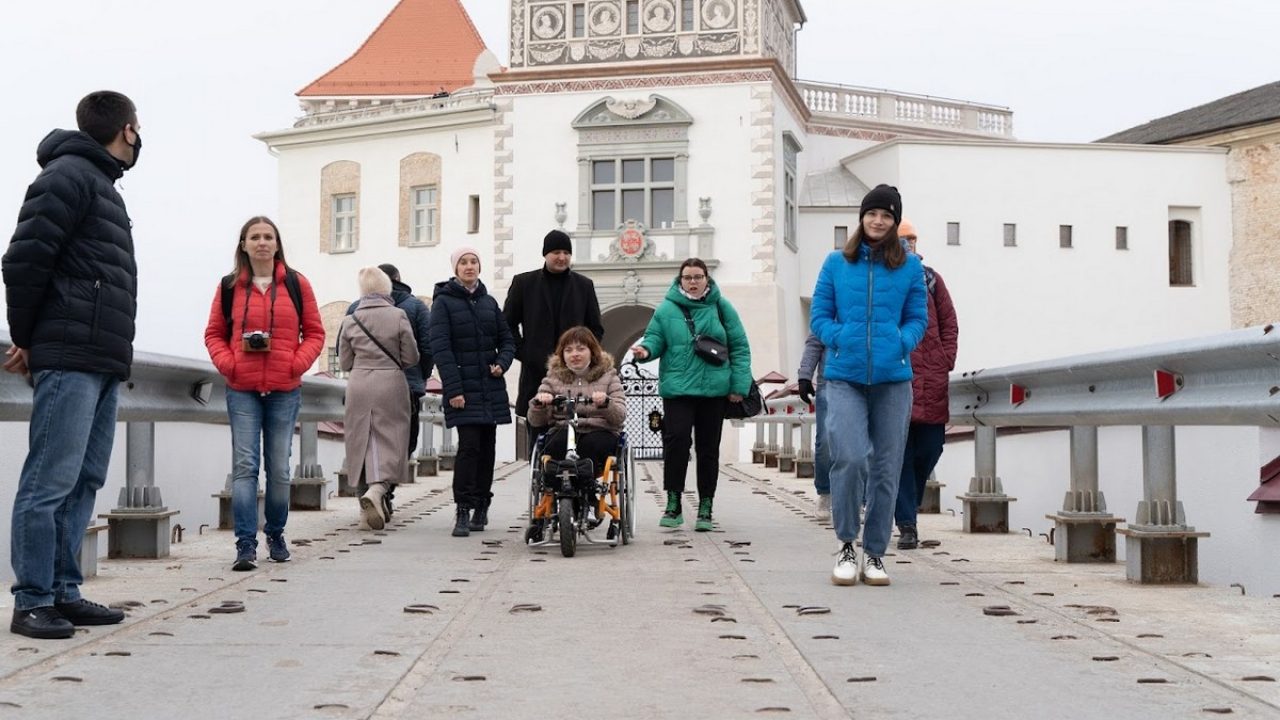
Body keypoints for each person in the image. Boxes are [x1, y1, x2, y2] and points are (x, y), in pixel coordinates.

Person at [2, 91, 142, 639]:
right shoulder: (67, 175)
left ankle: (63, 590)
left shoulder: (101, 184)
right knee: (49, 481)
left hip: (101, 356)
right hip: (68, 352)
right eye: (138, 129)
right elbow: (23, 259)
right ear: (128, 129)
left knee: (84, 479)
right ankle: (32, 599)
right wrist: (27, 337)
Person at [811, 184, 927, 587]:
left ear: (895, 222)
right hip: (844, 378)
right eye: (872, 213)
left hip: (893, 381)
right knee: (850, 457)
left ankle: (875, 553)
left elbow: (918, 318)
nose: (878, 221)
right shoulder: (835, 263)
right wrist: (840, 338)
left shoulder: (910, 268)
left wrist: (902, 342)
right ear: (862, 218)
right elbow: (819, 316)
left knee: (886, 467)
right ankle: (846, 544)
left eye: (887, 215)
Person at [204, 216, 325, 572]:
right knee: (245, 468)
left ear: (277, 244)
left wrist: (294, 363)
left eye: (267, 237)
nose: (261, 242)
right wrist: (230, 365)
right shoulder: (229, 287)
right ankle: (245, 545)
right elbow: (213, 333)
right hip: (241, 388)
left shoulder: (297, 285)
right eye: (254, 237)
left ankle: (275, 534)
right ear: (243, 244)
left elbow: (315, 333)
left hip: (285, 388)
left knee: (279, 469)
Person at [631, 258, 751, 532]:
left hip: (714, 390)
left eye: (698, 276)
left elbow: (740, 347)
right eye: (688, 277)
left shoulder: (722, 307)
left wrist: (738, 387)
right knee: (676, 442)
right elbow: (655, 338)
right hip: (678, 389)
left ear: (707, 279)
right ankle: (673, 502)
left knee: (708, 449)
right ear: (680, 280)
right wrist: (645, 351)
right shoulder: (666, 309)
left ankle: (706, 506)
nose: (693, 282)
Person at [430, 247, 515, 537]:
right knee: (469, 448)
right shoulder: (443, 303)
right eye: (463, 262)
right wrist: (453, 389)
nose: (469, 266)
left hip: (489, 388)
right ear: (455, 268)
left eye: (474, 262)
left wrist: (501, 364)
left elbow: (507, 340)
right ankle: (463, 509)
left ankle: (481, 505)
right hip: (463, 389)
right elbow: (440, 349)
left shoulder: (489, 303)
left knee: (487, 451)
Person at [503, 230, 603, 453]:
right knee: (539, 437)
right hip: (537, 371)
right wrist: (525, 353)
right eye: (557, 252)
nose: (562, 257)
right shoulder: (524, 283)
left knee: (577, 435)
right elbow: (506, 325)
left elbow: (595, 328)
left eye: (567, 252)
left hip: (576, 375)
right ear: (545, 254)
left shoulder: (584, 285)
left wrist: (584, 356)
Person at [892, 219, 959, 550]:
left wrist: (946, 358)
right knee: (900, 455)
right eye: (904, 240)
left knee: (931, 449)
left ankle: (905, 504)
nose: (909, 246)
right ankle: (907, 524)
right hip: (898, 374)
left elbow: (949, 321)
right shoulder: (885, 278)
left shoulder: (931, 279)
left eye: (913, 239)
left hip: (931, 378)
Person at [339, 267, 421, 531]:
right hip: (391, 384)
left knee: (360, 441)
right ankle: (377, 491)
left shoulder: (351, 320)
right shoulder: (398, 315)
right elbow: (411, 357)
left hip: (360, 383)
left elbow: (344, 361)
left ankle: (364, 514)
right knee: (392, 440)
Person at [527, 326, 627, 540]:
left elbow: (619, 416)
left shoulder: (609, 376)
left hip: (599, 430)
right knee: (553, 446)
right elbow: (535, 420)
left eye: (580, 349)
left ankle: (590, 498)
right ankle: (555, 498)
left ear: (592, 351)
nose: (575, 354)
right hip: (564, 428)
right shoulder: (553, 378)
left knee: (591, 447)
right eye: (569, 350)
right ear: (562, 355)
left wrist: (606, 403)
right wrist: (540, 403)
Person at [345, 263, 433, 458]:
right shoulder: (416, 307)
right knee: (403, 441)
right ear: (398, 280)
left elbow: (345, 354)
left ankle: (373, 485)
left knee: (370, 439)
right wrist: (421, 375)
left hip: (365, 386)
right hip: (406, 385)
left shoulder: (354, 308)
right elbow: (427, 348)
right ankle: (387, 486)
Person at [796, 332, 831, 521]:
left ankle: (863, 497)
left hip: (862, 380)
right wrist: (805, 376)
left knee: (864, 442)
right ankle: (825, 492)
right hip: (829, 380)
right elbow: (815, 340)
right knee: (825, 440)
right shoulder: (828, 303)